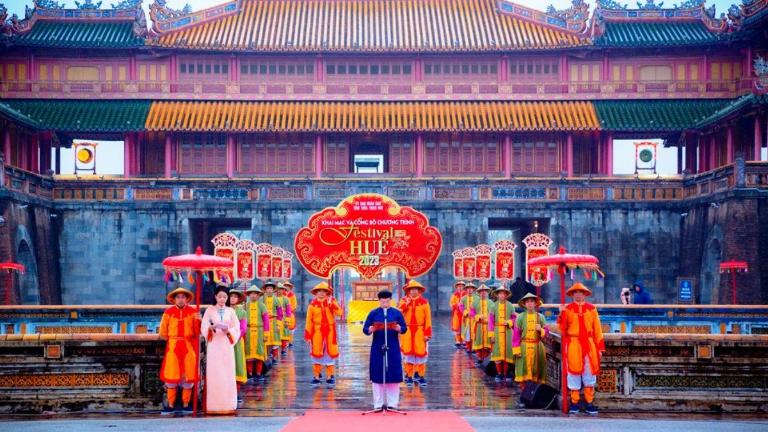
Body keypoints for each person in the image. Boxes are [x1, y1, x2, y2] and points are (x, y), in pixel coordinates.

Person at [557, 282, 605, 415]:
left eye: (581, 292)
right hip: (573, 344)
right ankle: (574, 403)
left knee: (589, 373)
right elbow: (562, 329)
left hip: (589, 345)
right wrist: (561, 314)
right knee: (573, 373)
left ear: (585, 294)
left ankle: (589, 403)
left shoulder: (592, 309)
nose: (578, 295)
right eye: (575, 293)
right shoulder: (567, 309)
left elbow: (598, 330)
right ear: (572, 295)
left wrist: (600, 348)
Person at [363, 290, 408, 411]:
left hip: (393, 346)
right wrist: (370, 329)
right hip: (377, 346)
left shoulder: (397, 313)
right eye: (383, 301)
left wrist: (400, 328)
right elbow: (365, 328)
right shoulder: (373, 313)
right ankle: (378, 403)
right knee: (377, 374)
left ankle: (393, 403)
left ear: (390, 300)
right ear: (379, 301)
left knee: (393, 373)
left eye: (387, 301)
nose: (385, 303)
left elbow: (404, 327)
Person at [159, 287, 200, 414]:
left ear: (187, 299)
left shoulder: (193, 312)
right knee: (172, 376)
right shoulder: (168, 313)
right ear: (174, 299)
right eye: (178, 297)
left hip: (188, 346)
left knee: (188, 376)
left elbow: (197, 333)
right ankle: (171, 405)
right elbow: (163, 333)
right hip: (173, 346)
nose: (181, 299)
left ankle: (186, 404)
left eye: (183, 297)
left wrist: (199, 320)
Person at [201, 286, 241, 415]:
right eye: (220, 297)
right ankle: (213, 405)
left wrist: (228, 331)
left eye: (224, 297)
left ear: (227, 298)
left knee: (227, 373)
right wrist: (211, 328)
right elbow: (204, 326)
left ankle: (228, 404)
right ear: (215, 297)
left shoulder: (231, 311)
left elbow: (237, 328)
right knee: (215, 373)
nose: (222, 299)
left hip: (226, 345)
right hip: (214, 345)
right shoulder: (209, 310)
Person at [304, 281, 343, 388]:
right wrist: (308, 335)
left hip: (330, 332)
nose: (321, 293)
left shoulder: (331, 302)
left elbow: (340, 313)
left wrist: (332, 304)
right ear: (316, 293)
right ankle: (316, 377)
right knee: (316, 353)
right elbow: (308, 321)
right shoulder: (312, 306)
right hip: (317, 332)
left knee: (330, 353)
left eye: (324, 291)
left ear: (327, 293)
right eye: (319, 291)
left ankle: (330, 376)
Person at [513, 292, 549, 407]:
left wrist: (541, 330)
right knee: (523, 372)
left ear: (535, 303)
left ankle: (534, 397)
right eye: (527, 302)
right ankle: (524, 397)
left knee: (536, 372)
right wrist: (516, 349)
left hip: (537, 347)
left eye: (532, 301)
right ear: (524, 304)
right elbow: (516, 335)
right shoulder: (520, 317)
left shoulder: (541, 317)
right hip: (524, 347)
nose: (530, 304)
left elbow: (546, 332)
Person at [398, 279, 432, 387]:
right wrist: (406, 304)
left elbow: (428, 319)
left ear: (419, 291)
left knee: (420, 354)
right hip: (407, 331)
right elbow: (399, 313)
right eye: (411, 289)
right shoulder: (403, 301)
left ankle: (421, 376)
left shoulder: (424, 303)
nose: (413, 292)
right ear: (408, 291)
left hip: (420, 331)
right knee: (408, 354)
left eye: (415, 289)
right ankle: (408, 376)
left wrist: (427, 334)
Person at [488, 284, 516, 383]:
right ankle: (499, 373)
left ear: (506, 295)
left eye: (504, 294)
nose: (502, 296)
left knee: (508, 353)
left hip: (508, 332)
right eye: (500, 294)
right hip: (496, 331)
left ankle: (506, 372)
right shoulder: (493, 306)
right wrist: (491, 335)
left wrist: (509, 322)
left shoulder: (510, 306)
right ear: (497, 295)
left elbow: (514, 318)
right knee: (497, 352)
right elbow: (490, 321)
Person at [244, 285, 270, 383]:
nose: (253, 296)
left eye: (255, 294)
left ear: (258, 295)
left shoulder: (262, 306)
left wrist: (266, 333)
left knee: (259, 353)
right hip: (248, 331)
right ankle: (250, 374)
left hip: (259, 331)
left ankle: (258, 373)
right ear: (249, 295)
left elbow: (266, 320)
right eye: (251, 294)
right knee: (249, 354)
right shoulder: (245, 305)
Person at [228, 288, 248, 395]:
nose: (233, 298)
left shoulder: (242, 312)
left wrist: (234, 337)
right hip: (224, 342)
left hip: (237, 340)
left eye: (235, 296)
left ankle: (237, 390)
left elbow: (243, 328)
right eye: (231, 296)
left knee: (237, 362)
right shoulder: (224, 309)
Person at [261, 280, 284, 361]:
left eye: (271, 288)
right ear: (265, 290)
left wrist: (278, 324)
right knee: (265, 340)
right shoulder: (262, 299)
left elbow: (280, 313)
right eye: (268, 288)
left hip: (274, 322)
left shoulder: (277, 300)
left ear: (273, 289)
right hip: (265, 322)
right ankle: (266, 357)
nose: (269, 290)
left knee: (275, 341)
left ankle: (275, 357)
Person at [471, 284, 494, 364]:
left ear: (488, 293)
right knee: (479, 342)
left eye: (485, 292)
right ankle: (480, 357)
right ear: (479, 293)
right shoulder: (475, 302)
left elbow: (493, 314)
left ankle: (488, 356)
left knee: (489, 343)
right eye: (481, 292)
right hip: (479, 325)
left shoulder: (491, 302)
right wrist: (477, 316)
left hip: (488, 325)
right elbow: (472, 312)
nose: (483, 293)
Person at [458, 281, 477, 352]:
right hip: (467, 319)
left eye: (471, 289)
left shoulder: (477, 298)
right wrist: (465, 312)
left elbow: (478, 308)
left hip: (474, 319)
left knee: (474, 333)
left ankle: (474, 347)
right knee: (467, 333)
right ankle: (469, 347)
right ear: (466, 290)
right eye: (468, 289)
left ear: (473, 289)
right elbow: (461, 307)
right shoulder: (463, 298)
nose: (470, 290)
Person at [277, 282, 295, 355]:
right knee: (276, 334)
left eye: (281, 289)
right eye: (278, 289)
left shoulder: (286, 299)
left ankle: (283, 348)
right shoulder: (274, 298)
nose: (279, 291)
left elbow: (289, 309)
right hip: (276, 318)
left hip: (284, 318)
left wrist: (287, 319)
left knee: (284, 333)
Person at [449, 281, 466, 349]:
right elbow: (451, 304)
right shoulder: (454, 295)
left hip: (464, 313)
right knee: (457, 327)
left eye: (462, 286)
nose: (460, 288)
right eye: (459, 286)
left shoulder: (466, 295)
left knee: (464, 326)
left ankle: (464, 340)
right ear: (456, 287)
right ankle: (458, 340)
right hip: (456, 313)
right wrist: (456, 305)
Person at [284, 281, 299, 347]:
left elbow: (294, 305)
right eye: (285, 286)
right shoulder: (281, 295)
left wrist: (288, 310)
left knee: (291, 328)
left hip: (290, 314)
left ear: (290, 287)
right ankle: (284, 342)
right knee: (283, 328)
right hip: (282, 314)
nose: (286, 287)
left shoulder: (292, 295)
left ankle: (290, 342)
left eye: (288, 286)